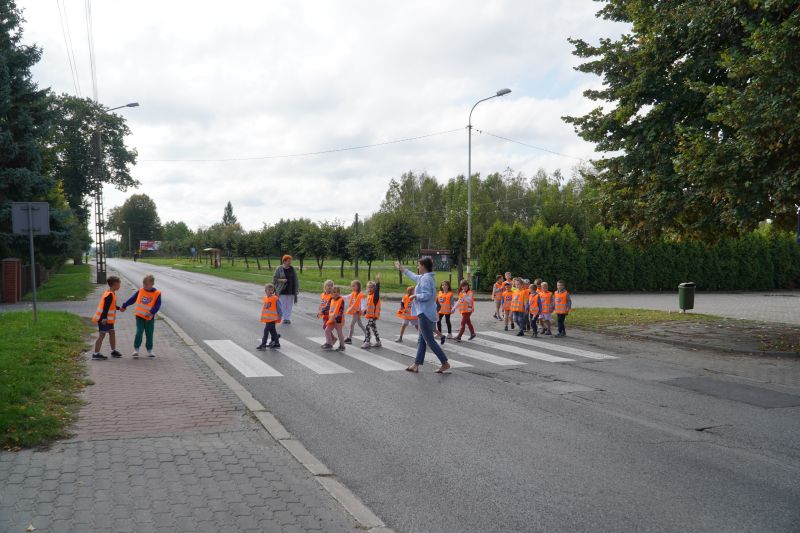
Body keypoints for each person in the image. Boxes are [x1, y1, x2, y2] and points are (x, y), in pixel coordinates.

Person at [395, 259, 450, 373]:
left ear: (424, 266)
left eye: (419, 265)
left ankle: (445, 363)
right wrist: (402, 269)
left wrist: (415, 296)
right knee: (421, 340)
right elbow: (414, 276)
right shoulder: (425, 277)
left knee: (429, 340)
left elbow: (427, 295)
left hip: (425, 313)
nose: (418, 267)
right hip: (425, 312)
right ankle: (416, 364)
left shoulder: (426, 278)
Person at [120, 273, 162, 358]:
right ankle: (136, 349)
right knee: (139, 332)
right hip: (139, 316)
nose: (144, 286)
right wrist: (125, 305)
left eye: (146, 284)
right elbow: (132, 299)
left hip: (149, 318)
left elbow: (157, 305)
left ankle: (149, 350)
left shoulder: (157, 293)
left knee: (149, 333)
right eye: (144, 284)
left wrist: (151, 312)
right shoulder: (141, 291)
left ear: (152, 284)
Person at [90, 275, 124, 360]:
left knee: (112, 333)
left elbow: (111, 305)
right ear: (114, 284)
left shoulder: (111, 293)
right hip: (104, 319)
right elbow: (105, 307)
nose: (120, 285)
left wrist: (119, 308)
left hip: (108, 320)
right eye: (119, 284)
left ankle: (113, 351)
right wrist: (104, 318)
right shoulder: (109, 295)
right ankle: (96, 354)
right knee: (102, 335)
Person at [272, 255, 299, 324]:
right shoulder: (279, 269)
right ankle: (284, 318)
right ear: (284, 261)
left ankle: (288, 318)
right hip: (282, 290)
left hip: (291, 290)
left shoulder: (292, 269)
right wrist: (281, 280)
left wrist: (297, 288)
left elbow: (296, 279)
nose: (290, 262)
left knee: (289, 305)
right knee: (283, 305)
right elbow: (274, 279)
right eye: (288, 261)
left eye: (290, 261)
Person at [257, 283, 282, 350]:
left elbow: (280, 309)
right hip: (267, 318)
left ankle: (263, 344)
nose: (271, 291)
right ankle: (277, 343)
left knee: (266, 331)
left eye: (272, 290)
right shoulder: (265, 298)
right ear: (265, 291)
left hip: (272, 319)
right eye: (269, 290)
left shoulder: (275, 298)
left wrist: (279, 317)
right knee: (273, 331)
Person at [322, 286, 346, 351]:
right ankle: (329, 343)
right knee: (327, 330)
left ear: (340, 293)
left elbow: (341, 310)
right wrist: (323, 310)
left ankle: (342, 345)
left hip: (338, 320)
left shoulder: (341, 300)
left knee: (339, 333)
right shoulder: (331, 300)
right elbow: (328, 306)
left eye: (338, 292)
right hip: (331, 320)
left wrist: (338, 317)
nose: (336, 293)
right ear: (331, 294)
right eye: (334, 292)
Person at [361, 274, 382, 349]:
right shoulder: (369, 296)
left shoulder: (375, 296)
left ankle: (367, 341)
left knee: (367, 327)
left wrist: (378, 281)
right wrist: (365, 311)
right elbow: (369, 305)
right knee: (373, 328)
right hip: (370, 315)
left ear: (374, 289)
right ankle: (378, 341)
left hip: (373, 316)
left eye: (371, 287)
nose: (369, 289)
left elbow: (377, 291)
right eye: (368, 287)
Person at [344, 280, 366, 345]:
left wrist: (363, 310)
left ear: (358, 286)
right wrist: (339, 296)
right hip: (355, 312)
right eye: (352, 286)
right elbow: (346, 297)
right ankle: (367, 336)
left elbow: (363, 304)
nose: (352, 287)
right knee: (360, 324)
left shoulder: (360, 295)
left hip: (357, 312)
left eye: (354, 286)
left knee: (352, 325)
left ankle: (349, 338)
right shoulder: (353, 293)